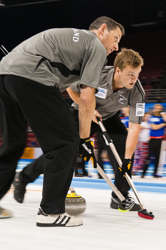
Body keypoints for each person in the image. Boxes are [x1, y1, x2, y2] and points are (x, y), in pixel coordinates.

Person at [0, 16, 124, 226]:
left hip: (5, 76)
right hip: (33, 76)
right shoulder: (95, 46)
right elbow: (86, 96)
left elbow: (67, 87)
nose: (116, 46)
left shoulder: (75, 40)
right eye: (116, 38)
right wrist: (84, 139)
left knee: (14, 144)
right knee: (66, 142)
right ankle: (51, 212)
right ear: (103, 29)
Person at [14, 48, 145, 212]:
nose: (134, 79)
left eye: (137, 74)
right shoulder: (97, 75)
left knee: (123, 145)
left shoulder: (137, 91)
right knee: (64, 151)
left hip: (107, 117)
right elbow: (70, 87)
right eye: (130, 74)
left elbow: (134, 127)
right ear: (117, 70)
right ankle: (23, 177)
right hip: (80, 112)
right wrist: (88, 109)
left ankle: (120, 196)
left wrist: (127, 159)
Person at [142, 104, 166, 178]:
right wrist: (163, 124)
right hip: (152, 139)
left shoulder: (162, 117)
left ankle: (155, 173)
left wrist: (163, 115)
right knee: (148, 157)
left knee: (158, 158)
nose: (158, 110)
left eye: (160, 108)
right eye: (157, 108)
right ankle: (144, 173)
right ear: (154, 109)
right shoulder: (151, 117)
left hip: (160, 140)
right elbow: (154, 127)